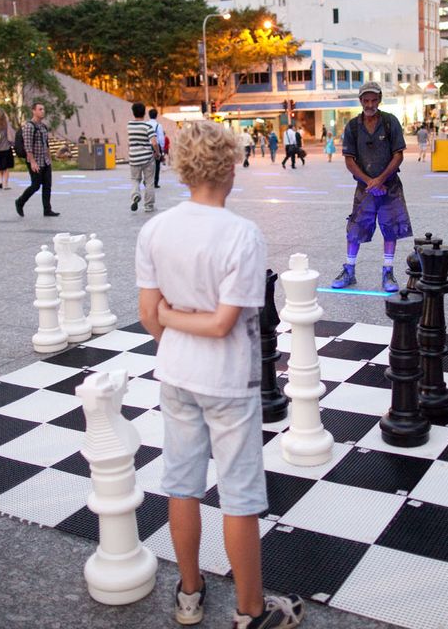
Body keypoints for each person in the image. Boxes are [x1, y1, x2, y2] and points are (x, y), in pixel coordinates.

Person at [135, 121, 305, 629]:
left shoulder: (155, 230)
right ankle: (250, 611)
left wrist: (170, 323)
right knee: (239, 494)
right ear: (230, 167)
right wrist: (190, 324)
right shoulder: (242, 235)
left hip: (175, 373)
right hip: (229, 380)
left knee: (181, 485)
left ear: (182, 169)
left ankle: (189, 594)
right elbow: (221, 324)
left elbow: (149, 314)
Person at [330, 81, 412, 293]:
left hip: (390, 187)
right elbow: (349, 160)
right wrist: (370, 182)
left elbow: (398, 155)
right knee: (355, 229)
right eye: (366, 100)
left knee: (391, 228)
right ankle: (349, 270)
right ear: (360, 101)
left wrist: (381, 179)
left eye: (374, 100)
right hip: (364, 188)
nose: (370, 104)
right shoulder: (352, 126)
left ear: (380, 100)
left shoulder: (390, 122)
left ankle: (388, 271)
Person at [14, 102, 59, 218]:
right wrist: (32, 162)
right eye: (40, 109)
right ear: (33, 111)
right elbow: (28, 146)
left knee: (47, 185)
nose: (42, 111)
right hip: (35, 161)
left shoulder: (43, 127)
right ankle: (20, 202)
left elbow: (46, 144)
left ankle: (47, 210)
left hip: (45, 161)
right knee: (35, 185)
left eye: (43, 109)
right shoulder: (29, 126)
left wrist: (49, 159)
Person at [127, 101, 160, 213]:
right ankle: (148, 206)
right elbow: (154, 142)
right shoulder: (147, 126)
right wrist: (157, 153)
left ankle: (135, 195)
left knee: (135, 179)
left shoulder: (129, 125)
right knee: (149, 181)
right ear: (144, 113)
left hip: (134, 157)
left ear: (133, 113)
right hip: (147, 158)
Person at [148, 108, 167, 188]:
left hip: (147, 146)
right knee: (156, 165)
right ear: (156, 116)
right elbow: (161, 138)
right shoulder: (158, 125)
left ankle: (147, 181)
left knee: (147, 165)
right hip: (156, 146)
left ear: (149, 115)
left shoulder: (146, 124)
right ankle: (155, 182)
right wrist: (161, 148)